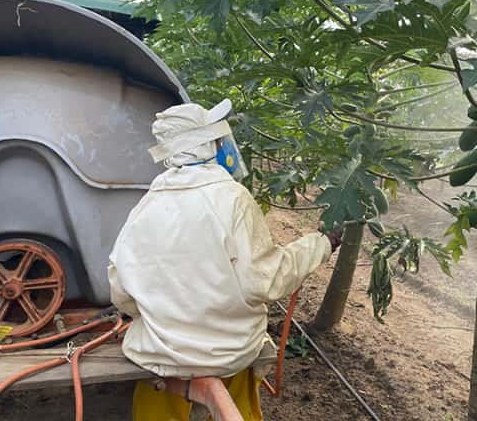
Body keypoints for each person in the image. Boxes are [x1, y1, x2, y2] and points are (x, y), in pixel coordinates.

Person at [108, 99, 340, 421]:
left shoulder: (145, 207)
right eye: (219, 139)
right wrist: (321, 244)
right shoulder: (232, 199)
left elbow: (121, 291)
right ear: (209, 143)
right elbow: (267, 280)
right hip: (228, 353)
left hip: (161, 355)